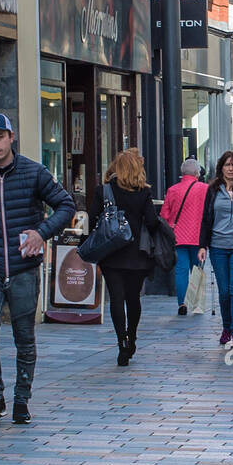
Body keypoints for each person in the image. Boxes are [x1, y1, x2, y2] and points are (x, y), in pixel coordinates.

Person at [0, 112, 74, 425]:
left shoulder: (34, 173)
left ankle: (21, 400)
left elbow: (66, 205)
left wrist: (41, 232)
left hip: (23, 269)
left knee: (24, 337)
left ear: (11, 137)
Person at [91, 150, 161, 367]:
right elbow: (151, 222)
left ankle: (121, 340)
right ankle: (132, 336)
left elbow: (93, 218)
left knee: (116, 298)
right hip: (136, 254)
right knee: (133, 298)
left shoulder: (103, 191)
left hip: (111, 253)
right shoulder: (143, 193)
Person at [200, 151, 233, 347]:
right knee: (224, 291)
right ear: (221, 168)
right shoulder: (212, 190)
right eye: (227, 165)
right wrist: (202, 245)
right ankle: (227, 327)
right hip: (218, 246)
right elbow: (206, 218)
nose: (230, 169)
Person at [160, 158, 208, 315]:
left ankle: (182, 303)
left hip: (178, 236)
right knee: (197, 270)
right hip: (198, 236)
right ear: (196, 173)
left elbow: (164, 215)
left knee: (180, 271)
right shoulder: (205, 189)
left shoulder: (173, 190)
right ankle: (196, 303)